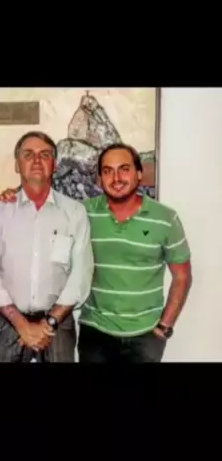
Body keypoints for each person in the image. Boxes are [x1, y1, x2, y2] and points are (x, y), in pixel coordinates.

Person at [0, 132, 94, 363]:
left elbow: (80, 274)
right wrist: (21, 324)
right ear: (17, 165)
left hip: (58, 322)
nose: (37, 160)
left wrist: (49, 322)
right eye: (28, 155)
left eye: (45, 155)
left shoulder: (74, 213)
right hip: (7, 322)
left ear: (55, 165)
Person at [77, 143, 192, 362]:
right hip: (95, 332)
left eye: (124, 169)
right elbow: (49, 212)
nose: (116, 178)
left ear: (139, 173)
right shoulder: (82, 212)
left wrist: (164, 326)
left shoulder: (165, 218)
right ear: (100, 179)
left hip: (146, 336)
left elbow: (182, 276)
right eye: (108, 171)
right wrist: (12, 198)